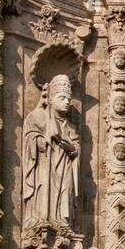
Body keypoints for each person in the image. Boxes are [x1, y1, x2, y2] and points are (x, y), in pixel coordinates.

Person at [21, 74, 79, 227]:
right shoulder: (37, 117)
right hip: (45, 165)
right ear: (51, 99)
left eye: (68, 99)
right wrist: (42, 142)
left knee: (65, 191)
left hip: (64, 167)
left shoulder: (70, 127)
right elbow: (30, 137)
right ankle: (41, 220)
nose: (67, 102)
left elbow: (76, 148)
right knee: (44, 190)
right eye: (62, 98)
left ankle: (61, 221)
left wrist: (72, 149)